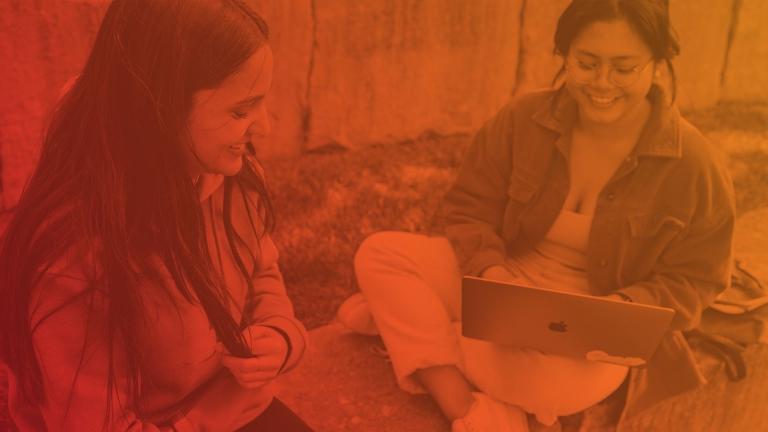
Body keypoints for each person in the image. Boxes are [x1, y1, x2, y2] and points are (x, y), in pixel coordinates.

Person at [343, 0, 735, 430]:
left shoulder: (694, 164)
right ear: (564, 55)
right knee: (380, 254)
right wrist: (492, 274)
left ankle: (412, 332)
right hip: (501, 285)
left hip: (589, 328)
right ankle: (466, 406)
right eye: (587, 63)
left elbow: (697, 279)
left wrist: (620, 308)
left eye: (625, 68)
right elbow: (468, 208)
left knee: (551, 388)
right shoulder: (522, 120)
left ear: (657, 64)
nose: (603, 82)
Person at [0, 1, 313, 430]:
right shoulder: (76, 253)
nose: (265, 127)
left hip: (225, 404)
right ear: (159, 110)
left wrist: (280, 335)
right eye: (240, 111)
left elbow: (261, 268)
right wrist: (212, 417)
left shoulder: (230, 175)